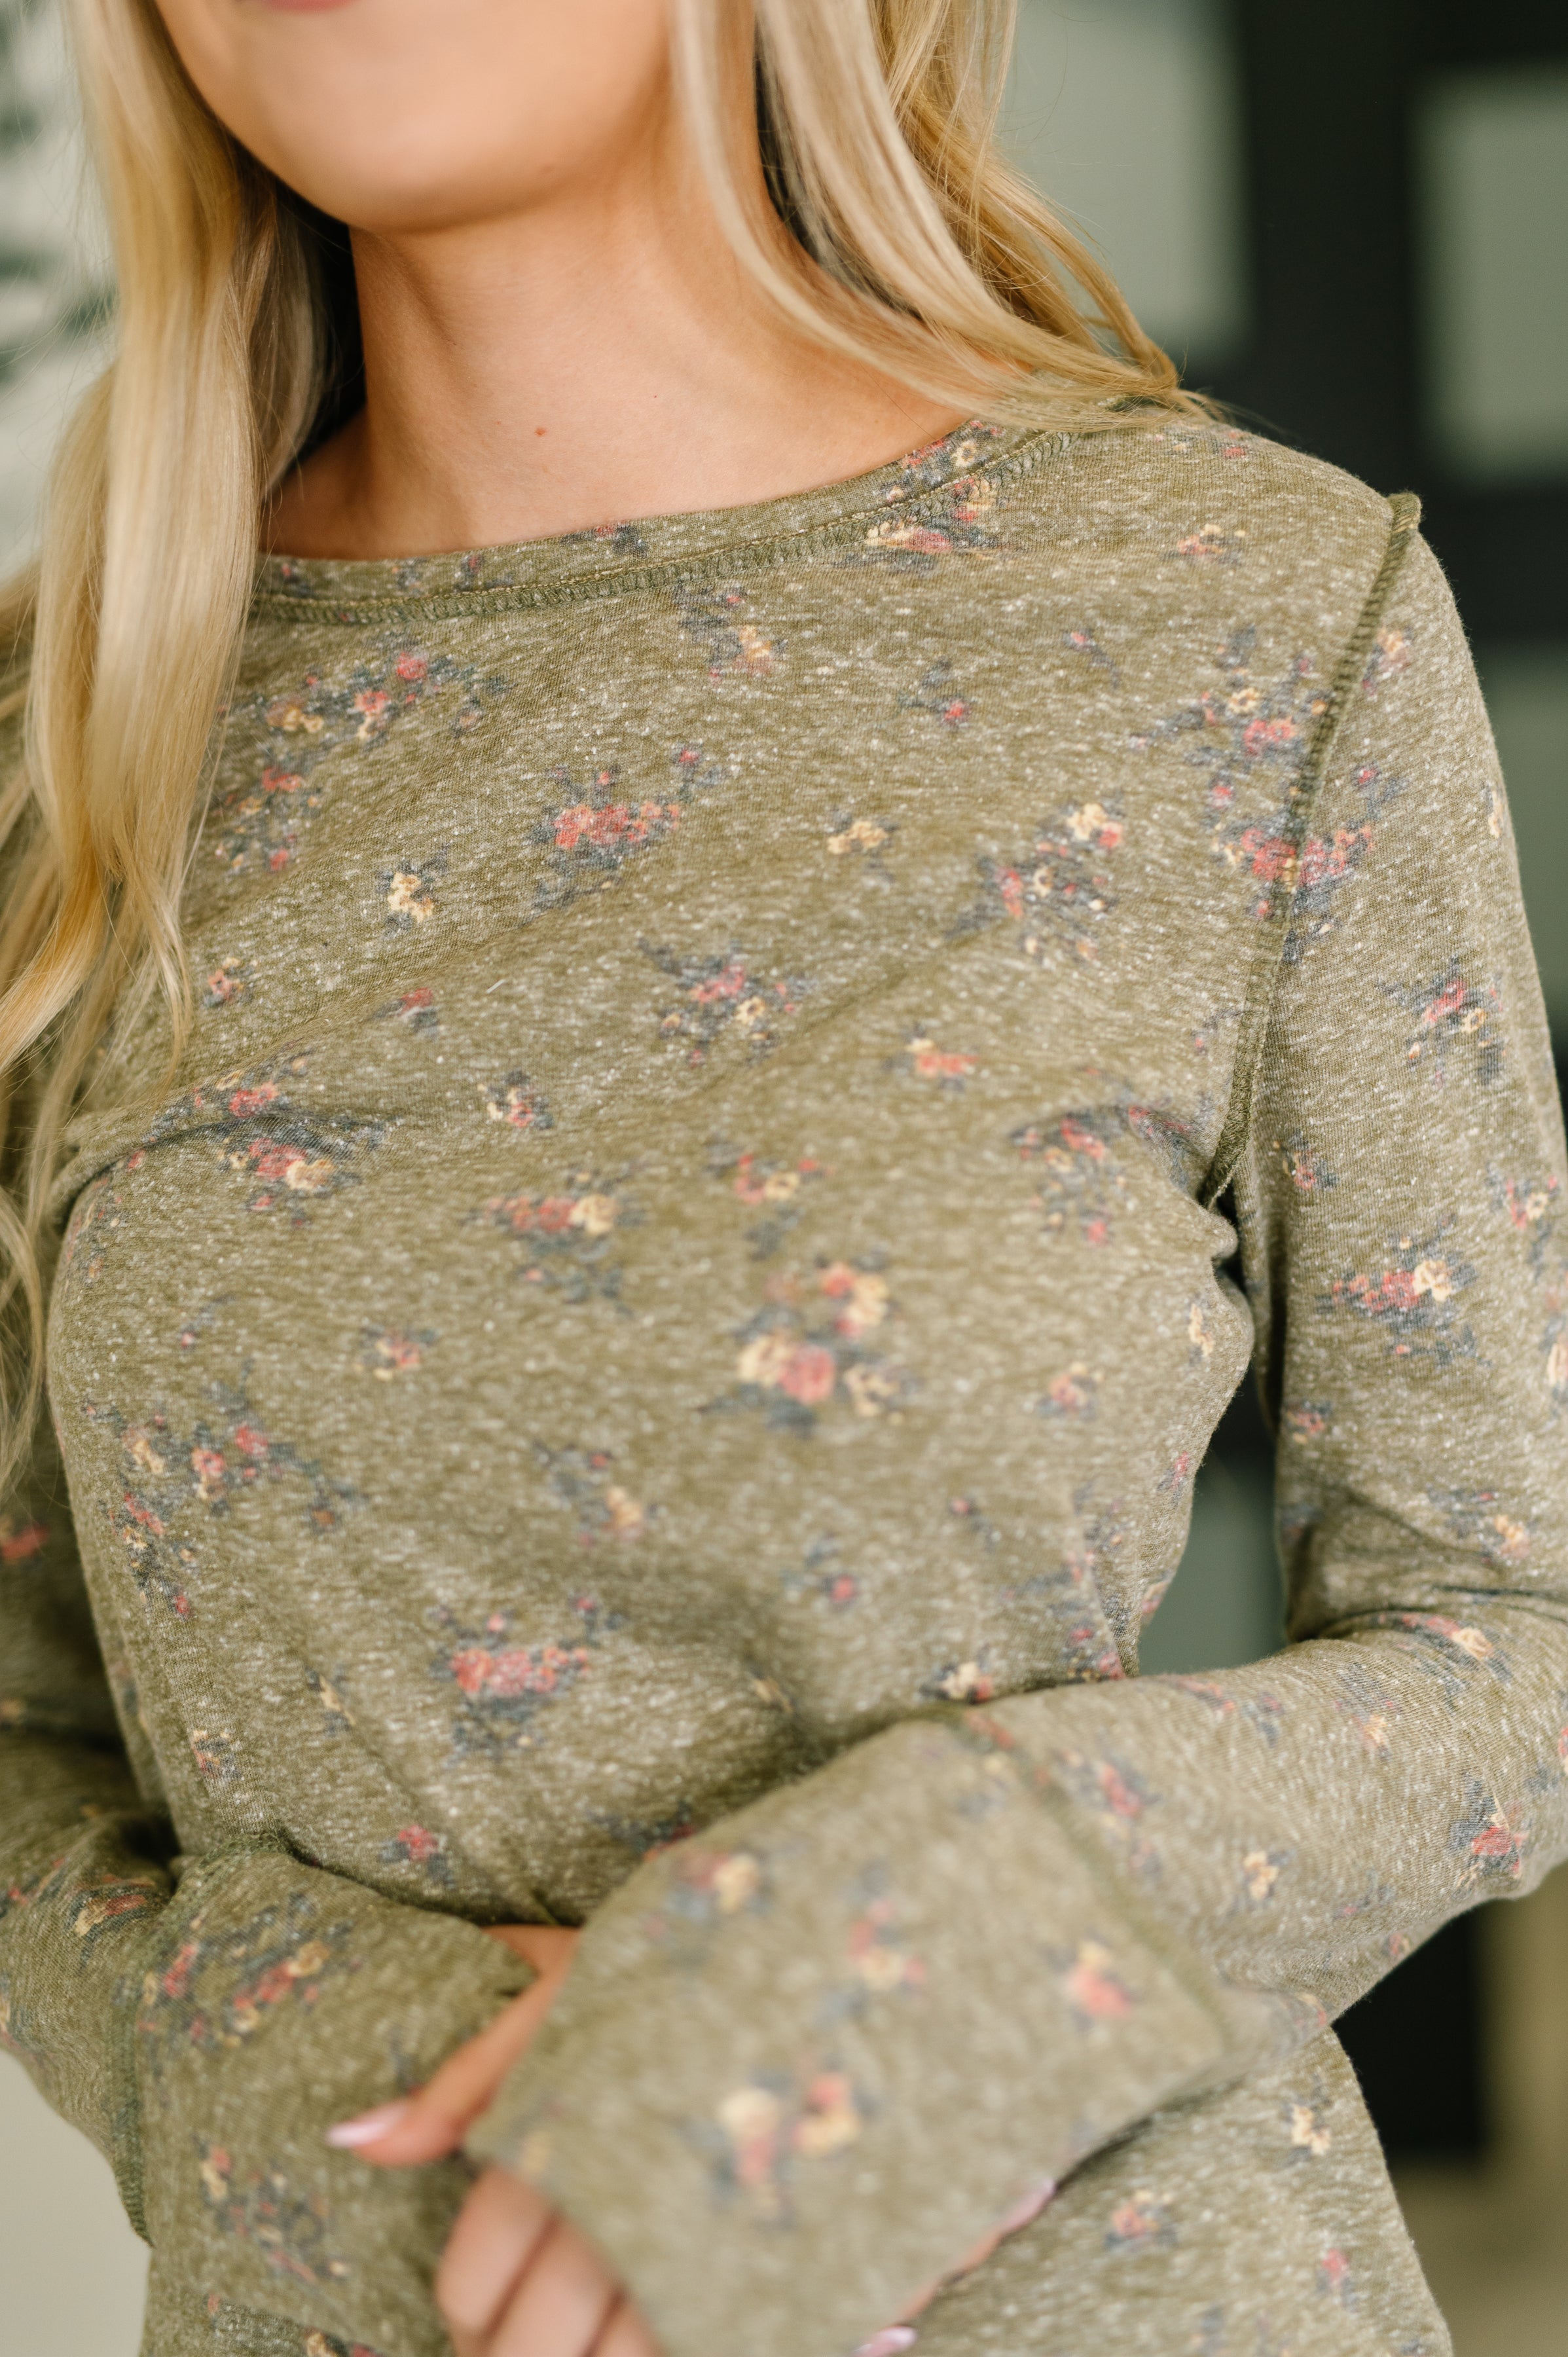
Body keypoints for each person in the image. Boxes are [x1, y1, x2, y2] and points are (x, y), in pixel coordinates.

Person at [1, 1, 1563, 2352]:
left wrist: (931, 1933)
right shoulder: (73, 740)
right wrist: (273, 2056)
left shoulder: (1239, 616)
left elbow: (1515, 1633)